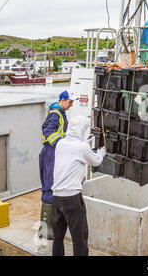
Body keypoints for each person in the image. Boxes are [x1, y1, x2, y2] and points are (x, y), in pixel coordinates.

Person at [51, 115, 106, 256]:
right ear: (81, 129)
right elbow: (96, 161)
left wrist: (85, 143)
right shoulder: (82, 147)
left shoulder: (60, 144)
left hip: (57, 198)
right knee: (79, 238)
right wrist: (102, 151)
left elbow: (71, 156)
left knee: (58, 237)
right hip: (72, 199)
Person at [38, 90, 76, 240]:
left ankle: (51, 226)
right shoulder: (55, 114)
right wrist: (62, 143)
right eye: (70, 101)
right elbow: (48, 132)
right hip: (50, 154)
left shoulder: (61, 112)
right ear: (62, 100)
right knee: (49, 187)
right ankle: (44, 230)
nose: (71, 104)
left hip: (55, 153)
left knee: (53, 186)